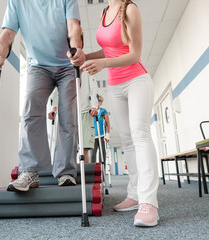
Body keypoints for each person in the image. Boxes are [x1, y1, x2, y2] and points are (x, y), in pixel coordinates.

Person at [0, 0, 86, 191]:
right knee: (31, 111)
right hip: (38, 66)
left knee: (68, 117)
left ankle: (66, 171)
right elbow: (7, 34)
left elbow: (74, 27)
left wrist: (76, 49)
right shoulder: (17, 2)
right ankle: (30, 171)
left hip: (67, 65)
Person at [78, 0, 160, 227]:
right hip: (115, 85)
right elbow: (108, 49)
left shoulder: (130, 9)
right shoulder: (105, 11)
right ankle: (134, 195)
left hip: (137, 80)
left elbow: (134, 54)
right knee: (127, 140)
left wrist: (103, 63)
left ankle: (149, 202)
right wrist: (87, 57)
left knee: (140, 134)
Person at [49, 72, 99, 163]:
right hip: (68, 113)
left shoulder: (87, 70)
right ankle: (70, 173)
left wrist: (94, 106)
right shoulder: (63, 69)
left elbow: (94, 89)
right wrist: (54, 108)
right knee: (70, 149)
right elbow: (57, 90)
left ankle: (84, 174)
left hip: (85, 112)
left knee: (84, 150)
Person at [89, 95, 110, 164]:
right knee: (92, 156)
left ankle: (102, 173)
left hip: (102, 136)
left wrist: (107, 134)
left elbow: (108, 124)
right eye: (97, 100)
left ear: (101, 103)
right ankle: (93, 173)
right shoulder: (90, 111)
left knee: (102, 156)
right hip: (93, 136)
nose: (99, 102)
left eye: (100, 101)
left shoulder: (103, 111)